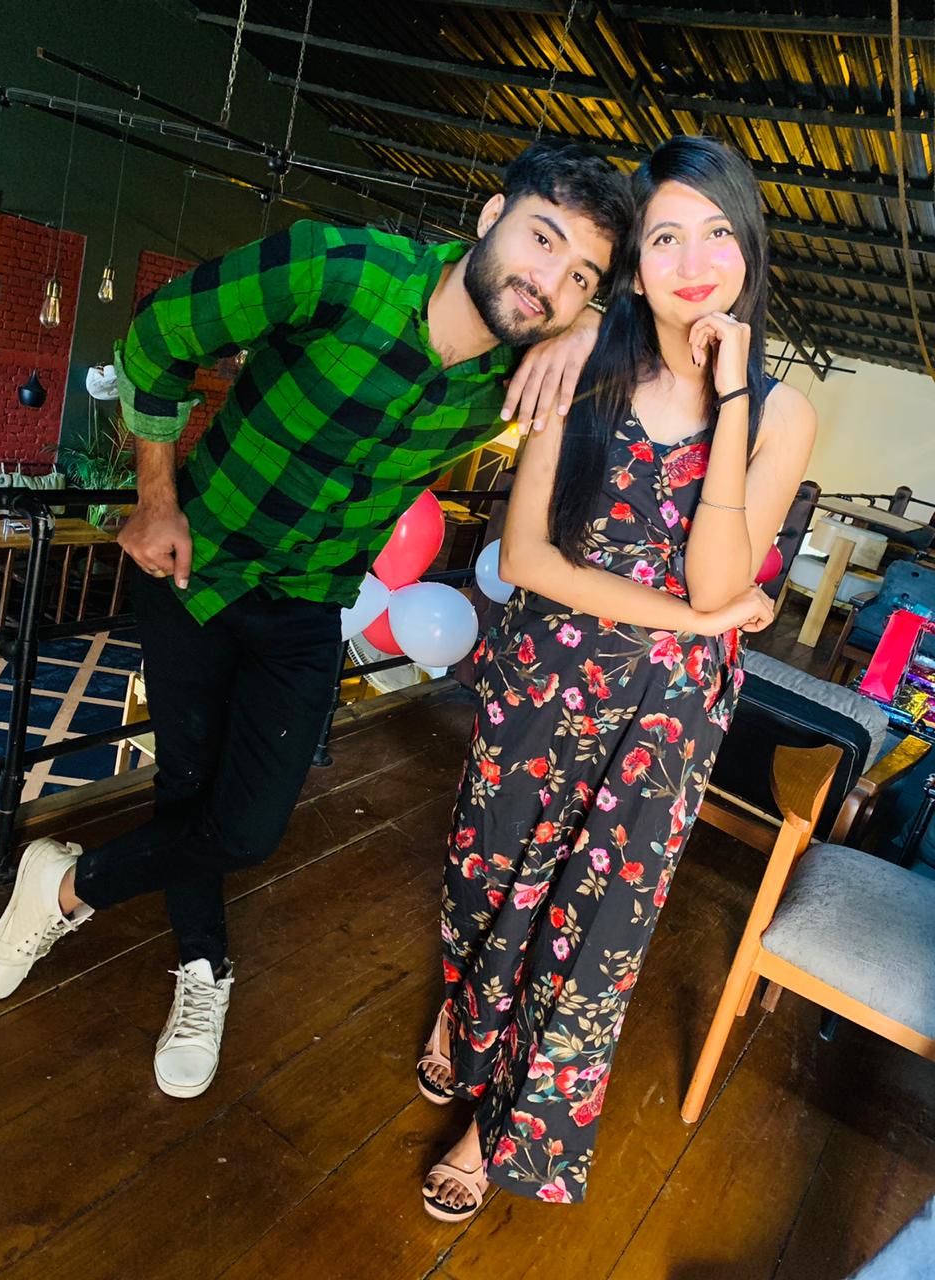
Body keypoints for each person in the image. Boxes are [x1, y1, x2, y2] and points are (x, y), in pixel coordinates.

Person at [0, 143, 632, 1103]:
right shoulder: (342, 269)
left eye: (581, 276)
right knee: (188, 789)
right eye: (544, 240)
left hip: (309, 603)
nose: (551, 283)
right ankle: (204, 966)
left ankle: (64, 886)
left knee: (246, 830)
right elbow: (158, 335)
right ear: (490, 217)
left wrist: (601, 326)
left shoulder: (526, 366)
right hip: (195, 568)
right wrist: (154, 496)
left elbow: (685, 322)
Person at [418, 135, 818, 1220]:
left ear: (750, 250)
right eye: (665, 237)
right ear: (635, 265)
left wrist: (731, 398)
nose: (694, 261)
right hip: (544, 676)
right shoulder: (588, 359)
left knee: (591, 936)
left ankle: (495, 1127)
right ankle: (464, 1012)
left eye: (719, 233)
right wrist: (694, 619)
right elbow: (524, 556)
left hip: (666, 719)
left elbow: (721, 574)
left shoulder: (779, 412)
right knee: (485, 882)